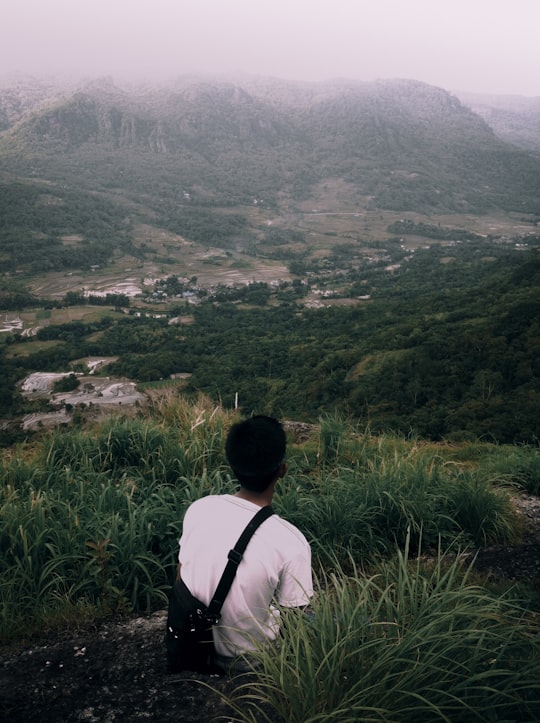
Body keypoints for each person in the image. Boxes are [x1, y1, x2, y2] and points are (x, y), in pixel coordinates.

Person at [177, 415, 313, 673]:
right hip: (248, 660)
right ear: (282, 470)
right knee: (330, 619)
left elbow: (181, 577)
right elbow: (297, 626)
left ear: (232, 465)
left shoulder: (199, 509)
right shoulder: (290, 541)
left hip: (193, 642)